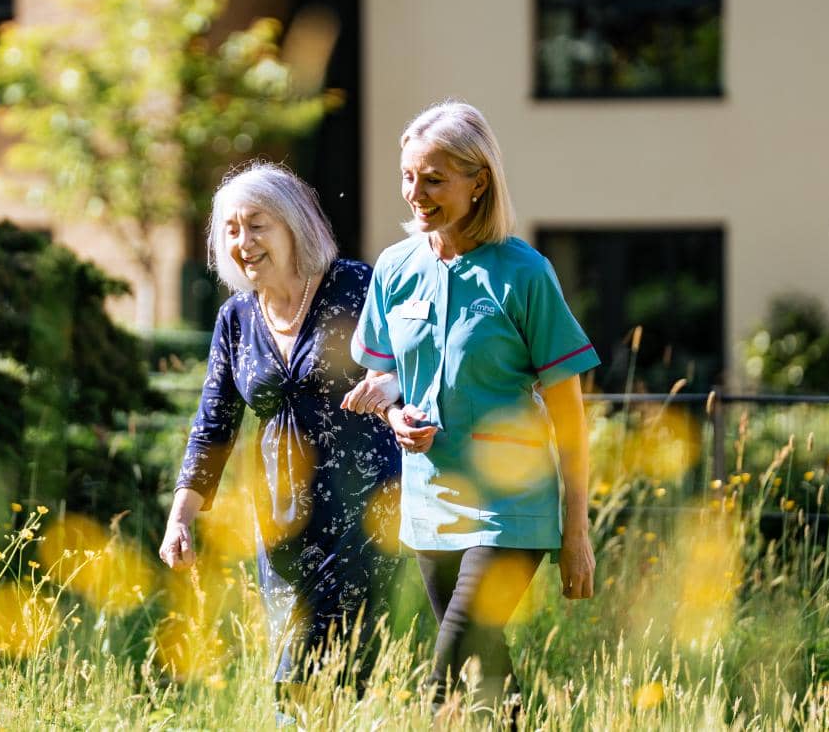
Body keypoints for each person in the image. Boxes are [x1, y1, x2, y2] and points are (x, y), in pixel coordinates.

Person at [343, 100, 599, 717]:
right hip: (430, 499)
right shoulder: (396, 268)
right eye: (409, 176)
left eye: (434, 179)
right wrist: (392, 408)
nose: (416, 193)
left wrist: (577, 533)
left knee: (448, 669)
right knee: (486, 675)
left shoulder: (525, 274)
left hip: (512, 505)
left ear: (477, 180)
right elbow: (384, 371)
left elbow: (570, 413)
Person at [160, 163, 401, 698]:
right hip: (282, 525)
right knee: (298, 674)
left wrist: (392, 386)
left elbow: (419, 365)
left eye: (257, 225)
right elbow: (213, 424)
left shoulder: (358, 287)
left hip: (366, 514)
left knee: (331, 672)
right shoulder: (236, 317)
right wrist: (181, 518)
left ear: (294, 225)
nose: (242, 242)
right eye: (231, 229)